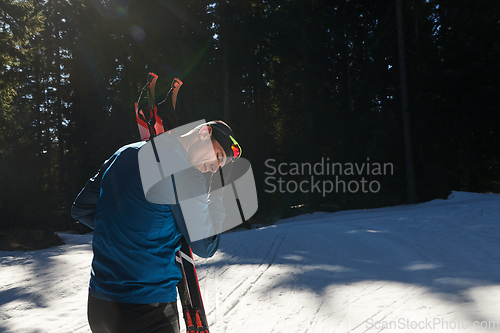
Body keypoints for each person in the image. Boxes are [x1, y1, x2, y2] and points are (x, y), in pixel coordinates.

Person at [71, 120, 241, 333]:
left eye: (218, 168)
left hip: (99, 305)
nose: (213, 169)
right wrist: (216, 200)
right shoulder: (187, 174)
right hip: (146, 309)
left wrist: (125, 231)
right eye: (218, 157)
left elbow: (81, 209)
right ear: (204, 133)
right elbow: (206, 246)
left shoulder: (123, 153)